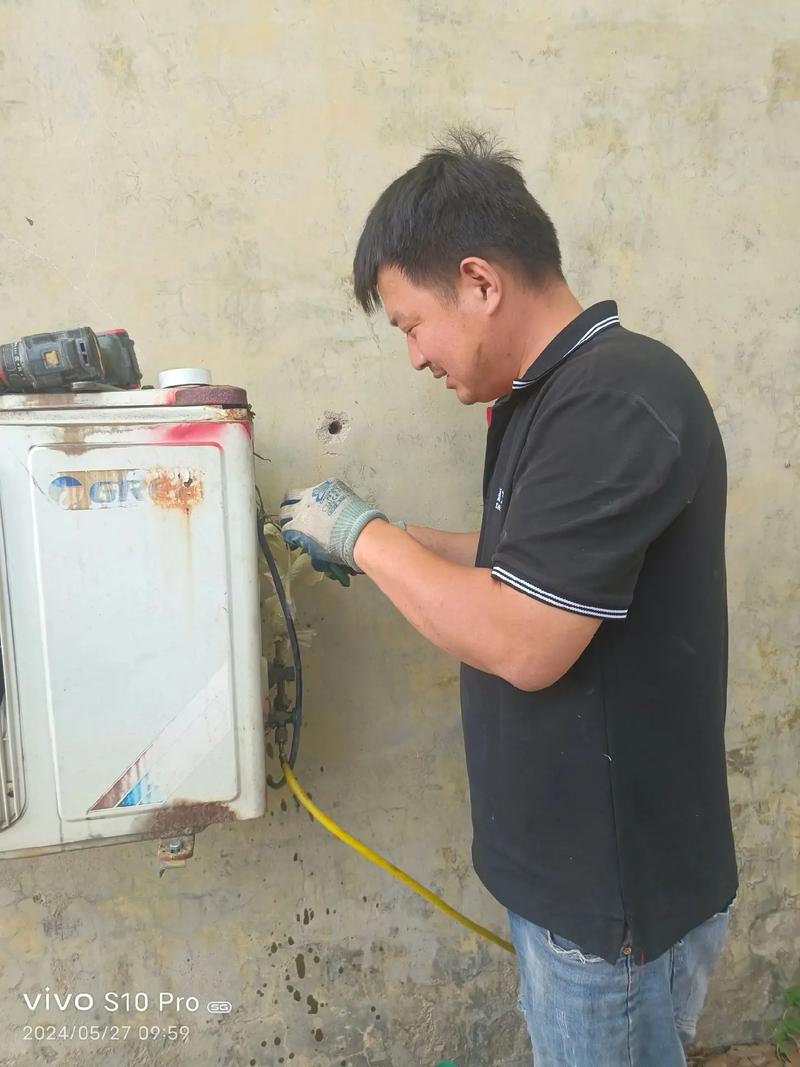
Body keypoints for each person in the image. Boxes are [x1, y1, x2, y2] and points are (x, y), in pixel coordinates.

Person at [278, 129, 738, 1067]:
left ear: (480, 282)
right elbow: (527, 566)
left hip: (611, 903)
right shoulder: (553, 397)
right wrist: (394, 539)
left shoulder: (615, 399)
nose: (415, 356)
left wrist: (363, 534)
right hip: (571, 887)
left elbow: (526, 638)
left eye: (411, 324)